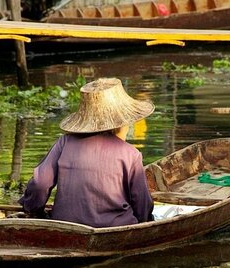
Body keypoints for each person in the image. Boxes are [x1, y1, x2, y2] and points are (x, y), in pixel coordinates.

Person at [19, 77, 155, 228]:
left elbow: (39, 184)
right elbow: (142, 205)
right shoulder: (131, 154)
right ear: (120, 124)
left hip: (64, 226)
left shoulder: (64, 143)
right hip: (114, 227)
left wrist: (33, 210)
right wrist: (146, 223)